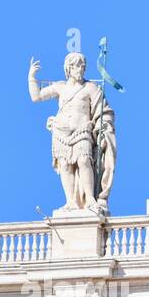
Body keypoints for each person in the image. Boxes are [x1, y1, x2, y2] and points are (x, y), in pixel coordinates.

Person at [28, 52, 116, 212]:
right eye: (77, 65)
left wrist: (104, 127)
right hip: (61, 132)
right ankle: (71, 202)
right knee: (65, 165)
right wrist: (32, 77)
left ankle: (90, 199)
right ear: (68, 68)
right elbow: (36, 96)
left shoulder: (91, 87)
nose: (81, 68)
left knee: (83, 161)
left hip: (82, 130)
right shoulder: (60, 87)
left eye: (83, 65)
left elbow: (104, 110)